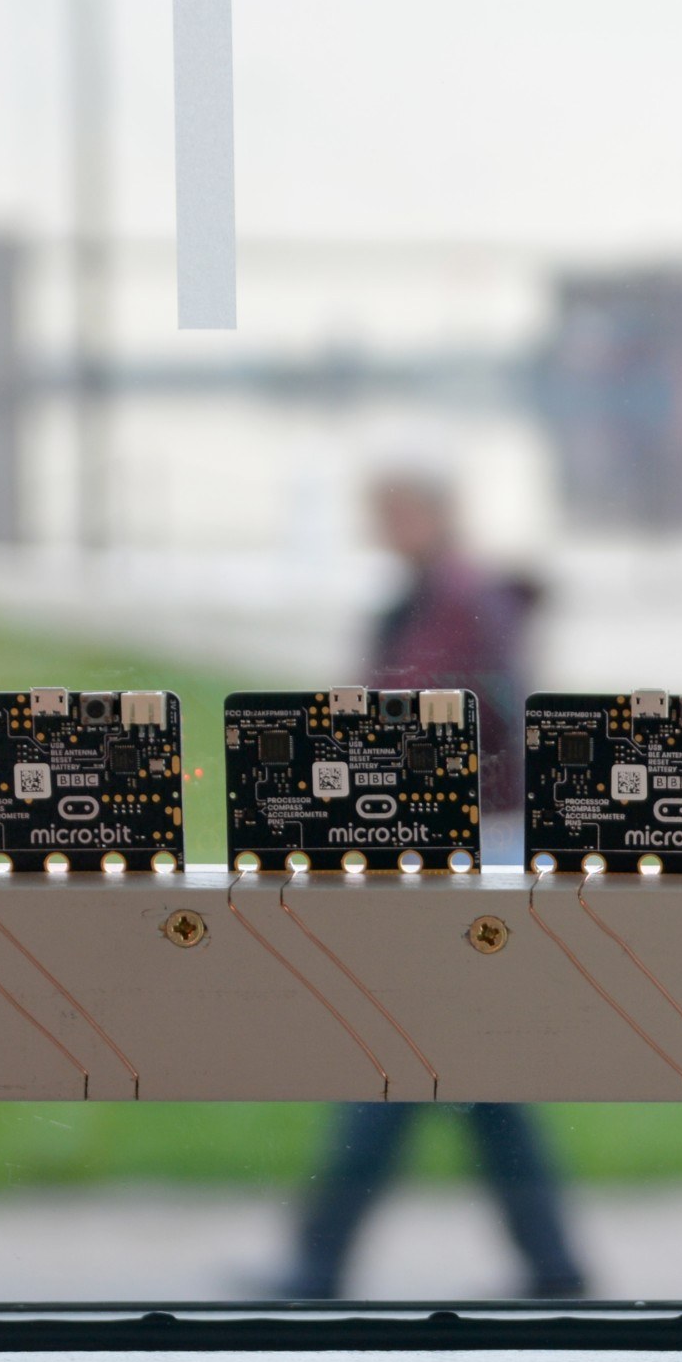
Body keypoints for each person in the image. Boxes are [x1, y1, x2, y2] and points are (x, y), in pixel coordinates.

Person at [273, 469, 589, 1300]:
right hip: (462, 850)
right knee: (466, 1071)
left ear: (435, 514)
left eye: (396, 509)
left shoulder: (452, 595)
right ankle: (550, 1263)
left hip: (464, 851)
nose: (383, 524)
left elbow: (431, 717)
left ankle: (319, 1262)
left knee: (407, 1061)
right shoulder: (441, 591)